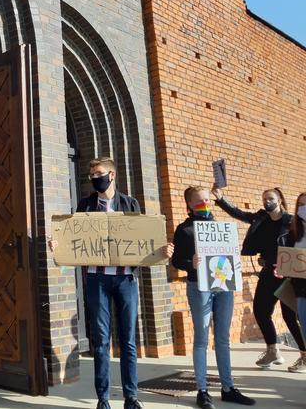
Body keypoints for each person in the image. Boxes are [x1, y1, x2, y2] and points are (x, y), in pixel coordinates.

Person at [50, 157, 173, 409]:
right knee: (102, 341)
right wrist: (58, 248)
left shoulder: (130, 203)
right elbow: (75, 241)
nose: (95, 178)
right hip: (97, 280)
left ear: (112, 175)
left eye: (99, 173)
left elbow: (142, 239)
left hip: (125, 280)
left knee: (128, 340)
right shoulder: (85, 205)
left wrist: (162, 250)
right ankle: (103, 399)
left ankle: (131, 397)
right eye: (91, 175)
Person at [172, 186, 255, 409]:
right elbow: (176, 261)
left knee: (223, 338)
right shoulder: (184, 230)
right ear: (189, 204)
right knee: (201, 338)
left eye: (207, 199)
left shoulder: (221, 228)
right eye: (198, 201)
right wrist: (192, 263)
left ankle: (228, 387)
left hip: (223, 286)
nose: (204, 204)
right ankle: (202, 390)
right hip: (199, 287)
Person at [211, 186, 306, 371]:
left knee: (290, 316)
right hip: (267, 272)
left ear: (280, 200)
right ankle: (272, 350)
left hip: (287, 274)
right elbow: (238, 213)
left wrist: (287, 266)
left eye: (270, 198)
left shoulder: (292, 222)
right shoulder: (260, 218)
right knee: (261, 311)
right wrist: (221, 199)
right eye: (264, 199)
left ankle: (304, 354)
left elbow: (298, 248)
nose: (266, 202)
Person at [277, 192, 306, 354]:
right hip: (301, 290)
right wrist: (282, 269)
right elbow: (289, 259)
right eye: (301, 205)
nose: (304, 208)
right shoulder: (294, 231)